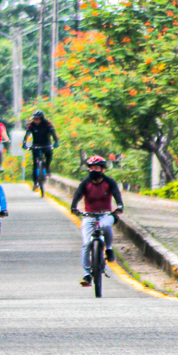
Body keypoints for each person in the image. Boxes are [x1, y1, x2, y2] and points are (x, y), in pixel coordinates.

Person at [70, 156, 124, 287]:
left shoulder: (109, 182)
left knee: (106, 226)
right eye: (91, 168)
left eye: (96, 168)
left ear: (102, 169)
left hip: (105, 214)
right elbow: (77, 195)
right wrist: (74, 207)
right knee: (86, 244)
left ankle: (108, 248)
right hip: (89, 216)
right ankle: (87, 274)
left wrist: (120, 206)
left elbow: (116, 194)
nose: (93, 170)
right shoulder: (85, 183)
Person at [22, 110, 60, 183]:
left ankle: (47, 167)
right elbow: (27, 134)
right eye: (35, 119)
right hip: (36, 145)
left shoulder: (47, 124)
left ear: (41, 119)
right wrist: (24, 143)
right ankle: (35, 182)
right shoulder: (32, 125)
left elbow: (53, 133)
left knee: (49, 155)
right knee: (35, 164)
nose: (36, 121)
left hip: (46, 144)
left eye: (37, 119)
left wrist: (56, 141)